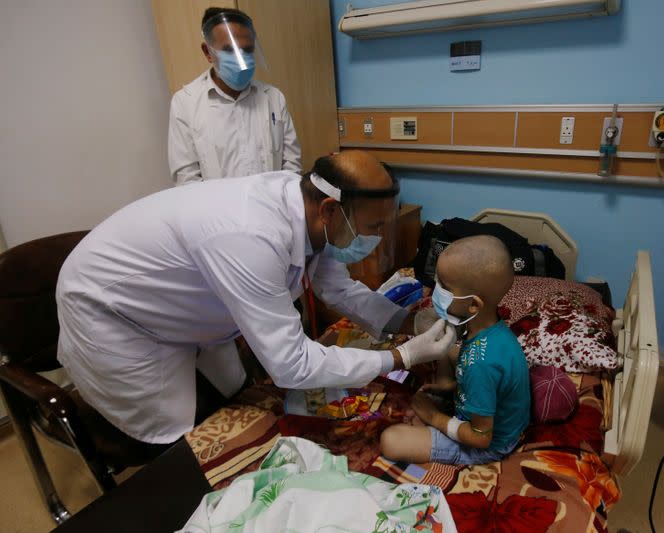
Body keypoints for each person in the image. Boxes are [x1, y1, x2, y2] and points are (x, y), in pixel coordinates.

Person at [55, 150, 455, 450]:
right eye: (373, 226)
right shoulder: (250, 235)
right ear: (330, 210)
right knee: (171, 435)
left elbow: (338, 287)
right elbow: (292, 366)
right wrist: (400, 358)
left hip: (187, 302)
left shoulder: (307, 207)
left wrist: (407, 324)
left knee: (234, 392)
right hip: (114, 310)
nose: (379, 238)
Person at [380, 235, 531, 465]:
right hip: (488, 403)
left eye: (445, 287)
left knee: (391, 440)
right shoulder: (487, 329)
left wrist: (433, 417)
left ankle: (442, 405)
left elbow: (480, 438)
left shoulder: (479, 364)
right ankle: (446, 383)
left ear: (473, 304)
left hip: (488, 443)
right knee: (446, 346)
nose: (434, 291)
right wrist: (452, 385)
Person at [168, 7, 302, 185]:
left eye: (247, 50)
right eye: (230, 50)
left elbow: (292, 167)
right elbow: (187, 180)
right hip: (217, 211)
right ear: (208, 52)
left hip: (272, 207)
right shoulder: (185, 103)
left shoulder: (273, 97)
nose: (241, 58)